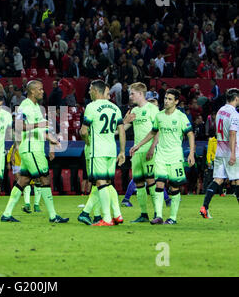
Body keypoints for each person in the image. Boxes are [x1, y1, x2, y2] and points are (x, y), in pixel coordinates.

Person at [0, 80, 68, 223]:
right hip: (32, 149)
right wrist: (38, 124)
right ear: (32, 91)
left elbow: (41, 129)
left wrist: (51, 140)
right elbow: (18, 126)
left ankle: (6, 214)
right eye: (40, 89)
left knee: (23, 180)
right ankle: (53, 216)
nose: (42, 92)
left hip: (33, 148)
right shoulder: (25, 106)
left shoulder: (36, 107)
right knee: (45, 178)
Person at [130, 88, 196, 225]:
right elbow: (152, 133)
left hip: (175, 157)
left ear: (176, 102)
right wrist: (138, 145)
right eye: (165, 98)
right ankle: (159, 216)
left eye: (170, 99)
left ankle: (172, 217)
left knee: (174, 187)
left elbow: (190, 134)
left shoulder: (181, 117)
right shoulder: (159, 116)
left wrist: (191, 153)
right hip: (160, 156)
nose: (166, 101)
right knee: (159, 184)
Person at [78, 80, 126, 227]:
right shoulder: (115, 108)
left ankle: (106, 218)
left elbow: (84, 131)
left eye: (90, 89)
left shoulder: (91, 107)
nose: (88, 92)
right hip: (112, 150)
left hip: (97, 150)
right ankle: (117, 215)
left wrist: (85, 139)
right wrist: (122, 151)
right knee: (108, 183)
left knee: (100, 183)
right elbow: (122, 130)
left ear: (95, 91)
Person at [121, 83, 160, 222]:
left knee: (151, 181)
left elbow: (157, 130)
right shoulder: (134, 111)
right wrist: (124, 120)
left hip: (148, 151)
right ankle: (144, 214)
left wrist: (152, 148)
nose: (130, 96)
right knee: (138, 183)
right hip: (136, 152)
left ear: (140, 94)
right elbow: (120, 130)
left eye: (132, 93)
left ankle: (157, 213)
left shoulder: (152, 109)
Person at [200, 88, 239, 218]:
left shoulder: (220, 111)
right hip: (230, 151)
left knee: (218, 179)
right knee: (237, 180)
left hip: (219, 150)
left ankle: (204, 207)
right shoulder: (234, 114)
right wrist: (233, 153)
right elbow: (233, 133)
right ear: (236, 98)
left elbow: (217, 131)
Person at [7, 143, 42, 213]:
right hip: (20, 165)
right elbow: (10, 154)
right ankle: (27, 204)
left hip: (31, 163)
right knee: (25, 183)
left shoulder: (33, 143)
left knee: (38, 182)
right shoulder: (16, 144)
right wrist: (9, 162)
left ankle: (36, 205)